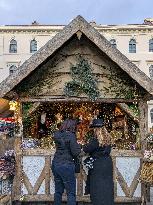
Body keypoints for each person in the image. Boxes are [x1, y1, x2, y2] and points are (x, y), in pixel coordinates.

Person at [83, 118, 114, 205]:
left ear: (96, 129)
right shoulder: (108, 137)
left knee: (97, 186)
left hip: (98, 165)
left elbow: (86, 149)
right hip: (107, 163)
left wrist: (84, 145)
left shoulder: (95, 139)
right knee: (107, 185)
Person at [52, 118, 81, 205]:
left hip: (56, 164)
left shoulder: (57, 134)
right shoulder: (71, 136)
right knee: (71, 193)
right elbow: (75, 152)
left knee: (58, 191)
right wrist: (79, 146)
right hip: (67, 165)